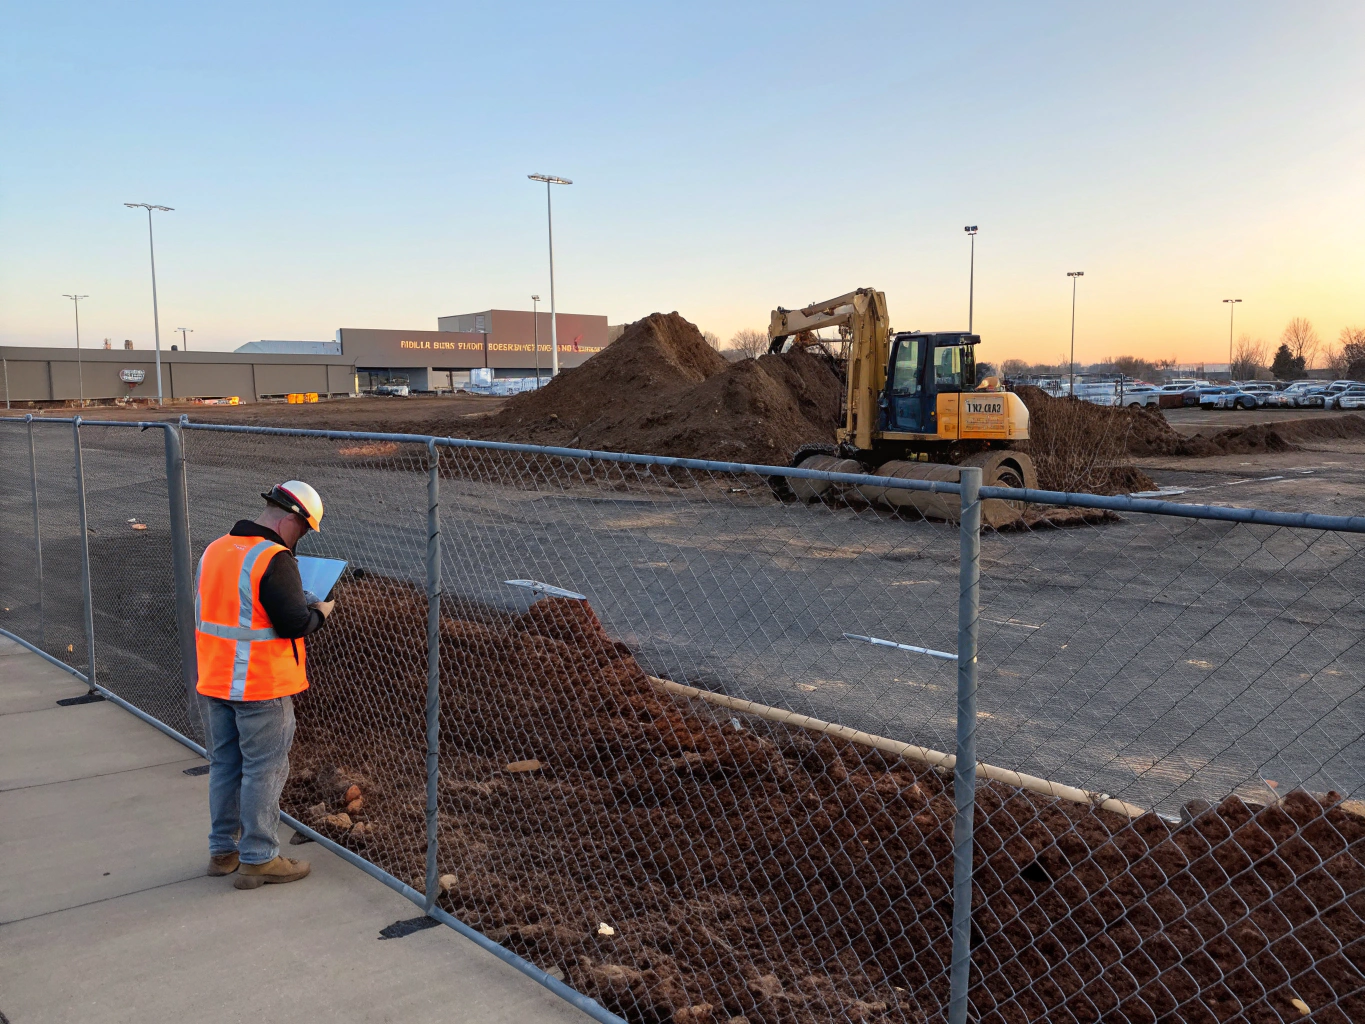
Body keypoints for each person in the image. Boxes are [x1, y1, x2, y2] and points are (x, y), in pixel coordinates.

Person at [195, 480, 335, 889]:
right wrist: (322, 611)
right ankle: (259, 858)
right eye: (305, 531)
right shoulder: (274, 557)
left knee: (226, 765)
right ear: (294, 519)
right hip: (260, 685)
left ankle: (223, 852)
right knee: (264, 770)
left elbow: (235, 609)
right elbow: (293, 623)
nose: (301, 540)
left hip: (216, 679)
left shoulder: (217, 548)